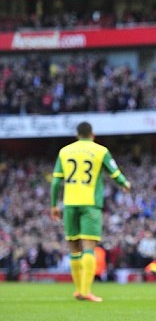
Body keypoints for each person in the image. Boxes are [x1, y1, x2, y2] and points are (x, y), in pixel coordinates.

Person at [50, 122, 131, 302]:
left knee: (74, 247)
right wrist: (125, 184)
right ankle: (86, 291)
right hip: (90, 204)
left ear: (77, 135)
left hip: (69, 203)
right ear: (92, 134)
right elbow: (115, 173)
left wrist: (54, 205)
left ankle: (79, 289)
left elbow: (55, 182)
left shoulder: (65, 151)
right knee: (88, 248)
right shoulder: (100, 151)